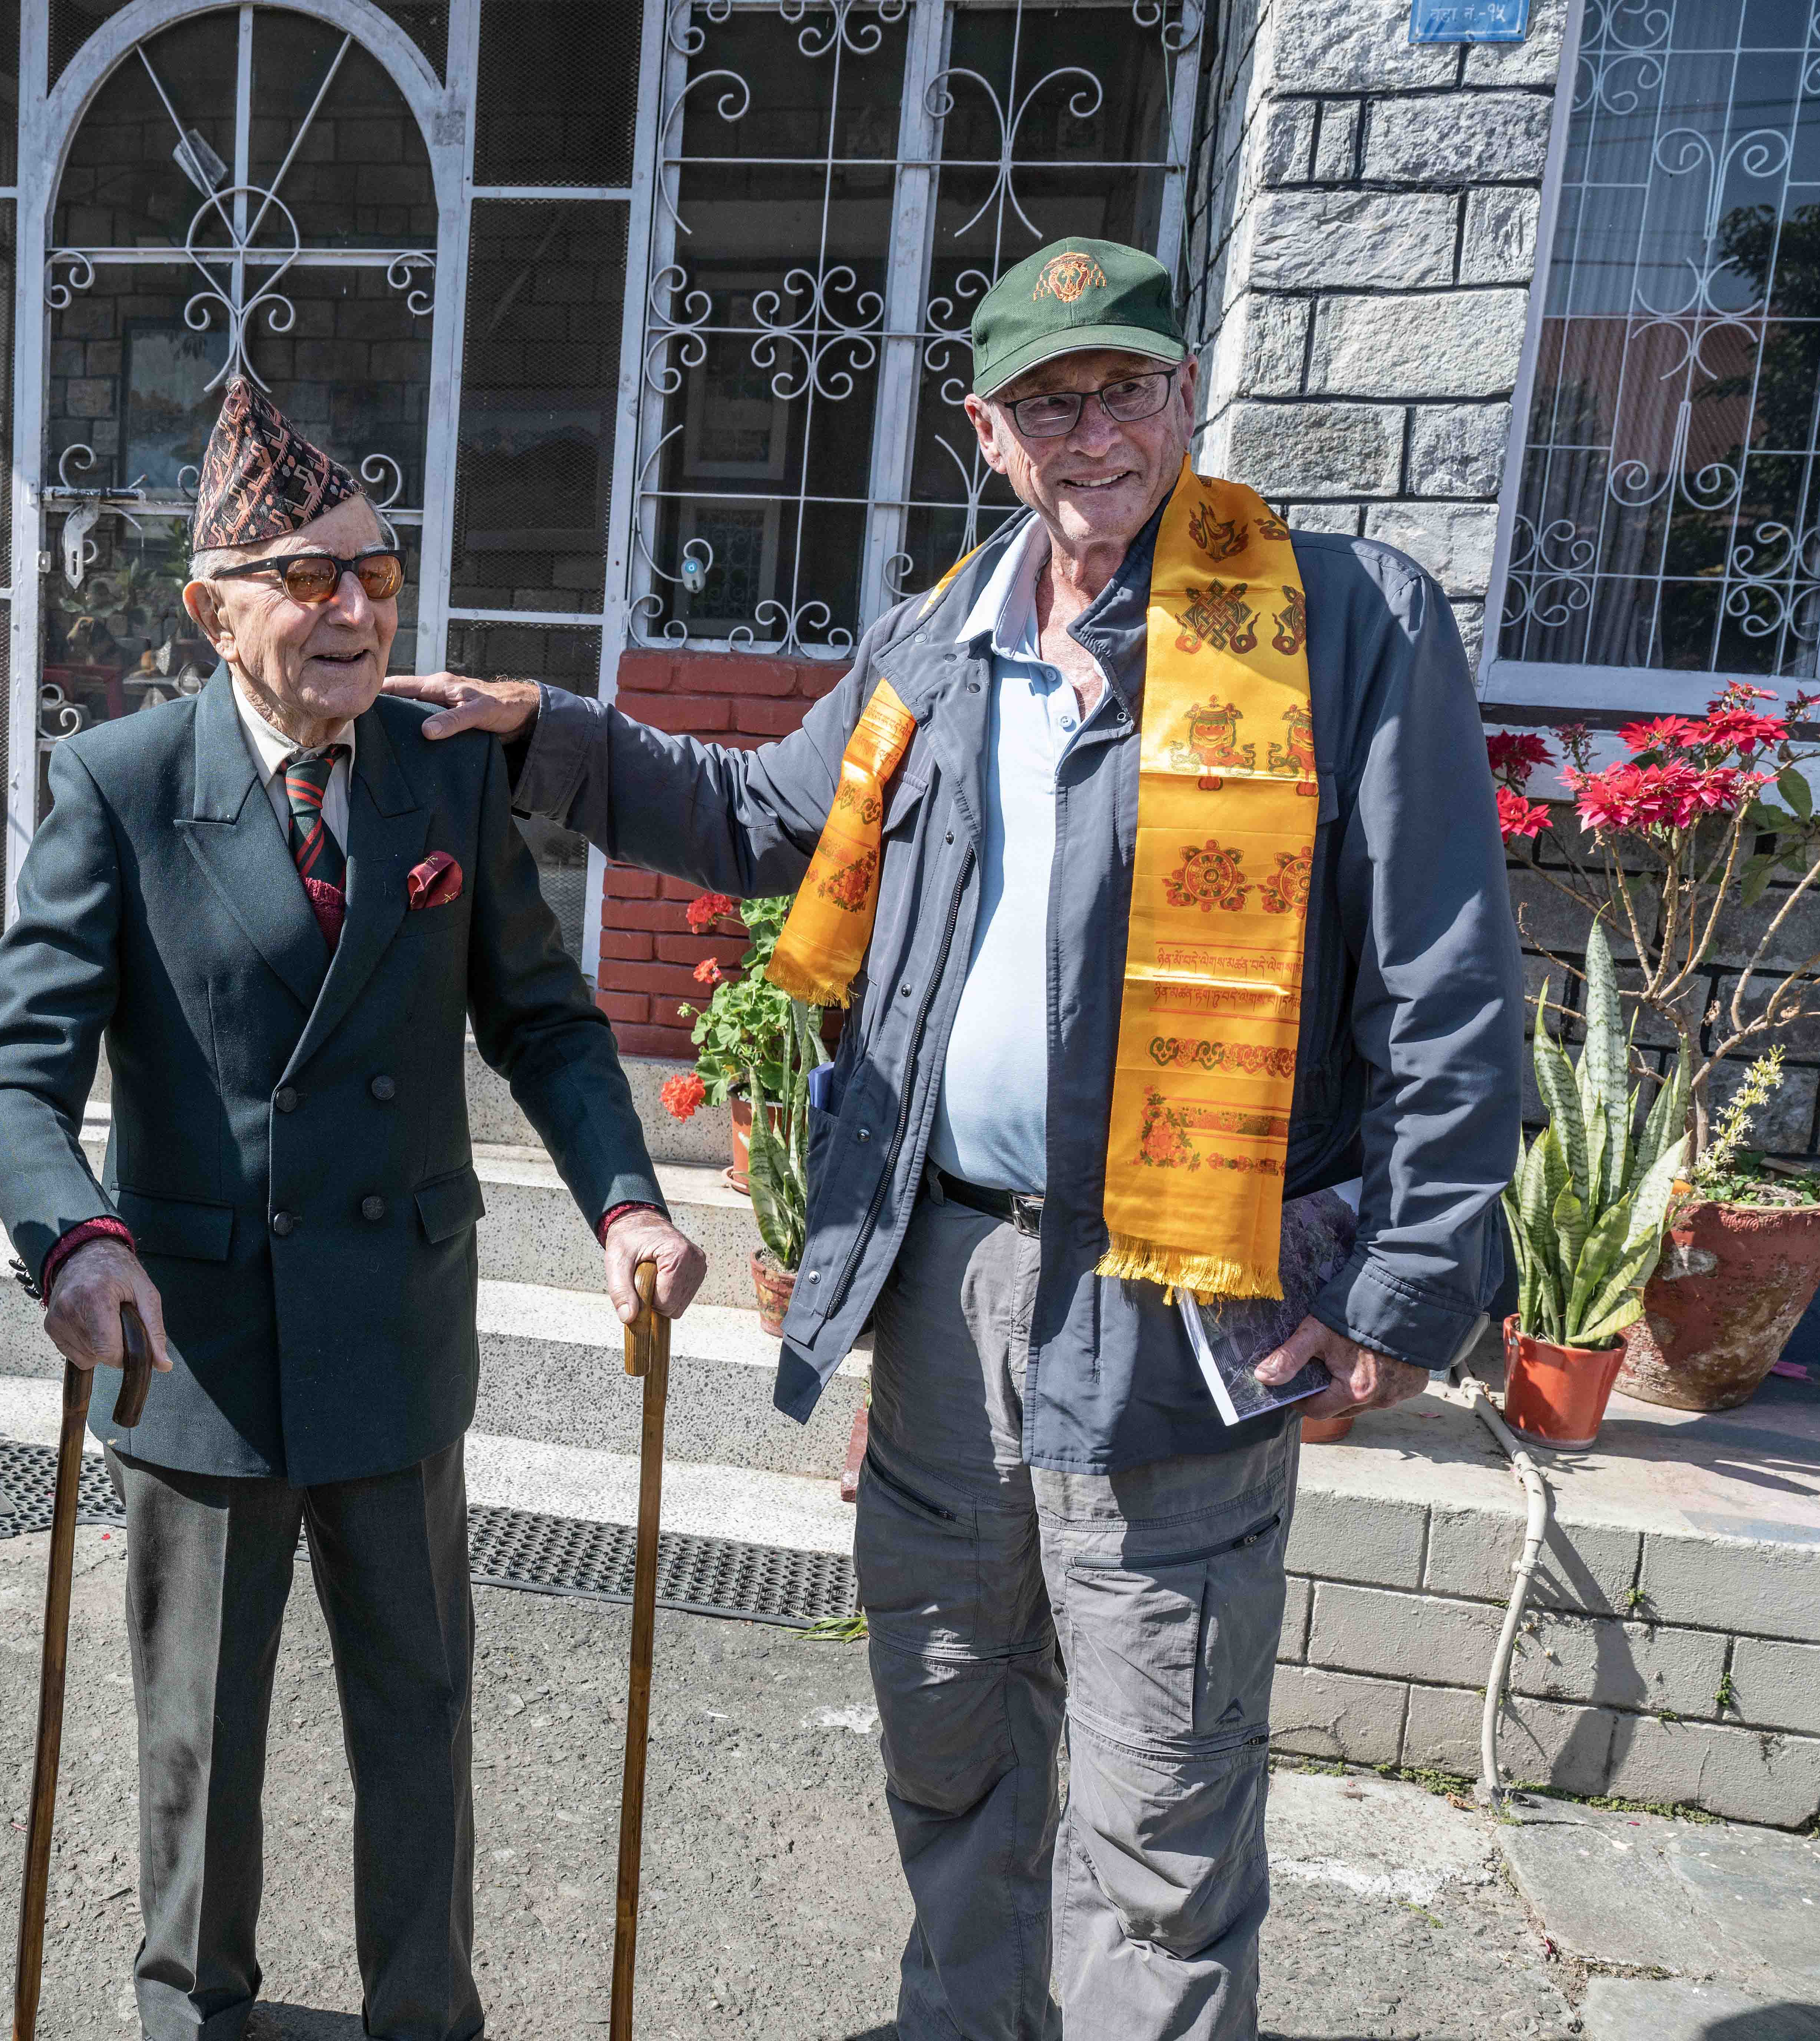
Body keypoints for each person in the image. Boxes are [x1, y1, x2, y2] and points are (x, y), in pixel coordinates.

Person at [389, 237, 1525, 2038]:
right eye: (1051, 402)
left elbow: (1450, 975)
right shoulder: (944, 634)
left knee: (1160, 1795)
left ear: (1182, 398)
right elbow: (764, 814)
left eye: (1129, 387)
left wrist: (1407, 1282)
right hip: (940, 1279)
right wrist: (552, 737)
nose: (1097, 436)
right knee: (949, 1728)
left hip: (1179, 1293)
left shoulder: (1339, 623)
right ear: (984, 428)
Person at [0, 376, 707, 2041]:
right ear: (212, 607)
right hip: (202, 1352)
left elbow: (546, 1019)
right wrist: (76, 1240)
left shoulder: (443, 774)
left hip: (394, 1328)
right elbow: (11, 1079)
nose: (356, 608)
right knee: (198, 1750)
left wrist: (626, 1204)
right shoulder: (121, 784)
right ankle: (193, 2012)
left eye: (375, 570)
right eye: (308, 577)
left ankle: (424, 2020)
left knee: (420, 1723)